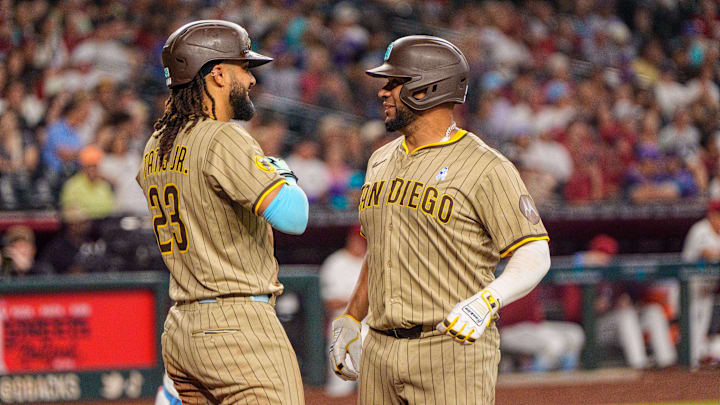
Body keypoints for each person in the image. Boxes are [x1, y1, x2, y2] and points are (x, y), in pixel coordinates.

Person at [329, 35, 551, 405]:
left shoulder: (486, 166)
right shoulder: (379, 160)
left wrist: (488, 300)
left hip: (449, 349)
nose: (383, 92)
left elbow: (535, 253)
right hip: (381, 349)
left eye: (393, 82)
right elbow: (380, 249)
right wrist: (352, 317)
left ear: (427, 87)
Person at [137, 20, 308, 404]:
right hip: (237, 326)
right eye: (243, 68)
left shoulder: (155, 144)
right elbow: (294, 217)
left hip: (182, 328)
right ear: (216, 74)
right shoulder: (223, 136)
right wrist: (280, 169)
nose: (250, 79)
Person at [319, 225, 368, 397]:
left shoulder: (371, 262)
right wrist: (360, 300)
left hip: (371, 328)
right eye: (357, 240)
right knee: (338, 388)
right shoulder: (336, 262)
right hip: (342, 325)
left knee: (371, 389)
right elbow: (330, 302)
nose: (360, 244)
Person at [498, 286, 585, 372]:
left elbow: (571, 309)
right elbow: (511, 316)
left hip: (534, 326)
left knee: (576, 334)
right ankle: (535, 381)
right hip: (510, 329)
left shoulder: (534, 278)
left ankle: (567, 380)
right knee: (555, 344)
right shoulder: (510, 280)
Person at [682, 199, 720, 366]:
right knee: (692, 329)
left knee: (701, 330)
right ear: (711, 215)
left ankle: (696, 365)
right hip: (690, 288)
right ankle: (689, 365)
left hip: (707, 288)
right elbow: (709, 254)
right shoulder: (701, 229)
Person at [59, 145, 116, 219]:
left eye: (95, 166)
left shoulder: (104, 186)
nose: (92, 170)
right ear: (82, 167)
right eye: (89, 166)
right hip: (81, 225)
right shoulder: (72, 185)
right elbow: (69, 211)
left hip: (103, 224)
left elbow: (111, 208)